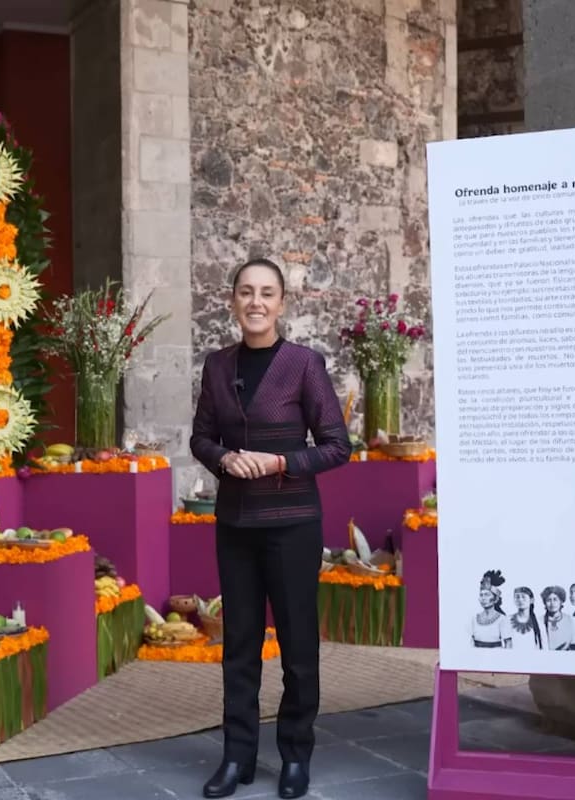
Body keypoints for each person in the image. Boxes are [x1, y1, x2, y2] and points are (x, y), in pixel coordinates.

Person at [190, 258, 351, 800]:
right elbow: (201, 438)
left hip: (292, 525)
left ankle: (295, 757)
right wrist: (224, 460)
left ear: (282, 303)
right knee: (238, 645)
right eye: (245, 292)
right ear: (232, 301)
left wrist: (281, 463)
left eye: (266, 293)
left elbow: (336, 446)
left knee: (299, 647)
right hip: (235, 523)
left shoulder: (305, 364)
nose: (255, 302)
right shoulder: (216, 365)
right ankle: (237, 757)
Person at [470, 569, 510, 648]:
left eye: (487, 595)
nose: (483, 598)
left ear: (496, 599)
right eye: (481, 595)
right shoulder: (474, 618)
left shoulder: (502, 619)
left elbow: (508, 644)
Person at [540, 586, 574, 651]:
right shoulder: (539, 621)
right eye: (549, 600)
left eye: (555, 599)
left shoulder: (569, 620)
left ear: (561, 601)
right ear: (545, 603)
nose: (552, 603)